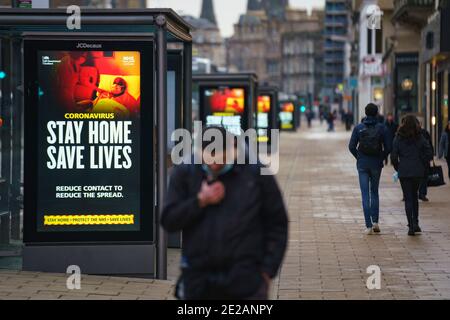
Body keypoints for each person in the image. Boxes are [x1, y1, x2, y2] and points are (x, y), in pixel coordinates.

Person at [161, 126, 288, 300]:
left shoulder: (256, 174)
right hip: (199, 280)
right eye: (209, 159)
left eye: (221, 159)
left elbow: (277, 223)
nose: (214, 165)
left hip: (246, 281)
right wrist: (200, 201)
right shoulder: (185, 173)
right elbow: (169, 220)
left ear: (233, 149)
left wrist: (267, 271)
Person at [349, 103, 391, 235]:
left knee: (365, 194)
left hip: (362, 164)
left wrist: (359, 157)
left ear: (365, 113)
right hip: (376, 164)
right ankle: (376, 222)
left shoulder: (358, 128)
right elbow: (388, 147)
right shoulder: (382, 128)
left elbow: (351, 146)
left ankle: (368, 225)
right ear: (377, 113)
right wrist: (381, 157)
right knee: (375, 192)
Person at [391, 115, 433, 236]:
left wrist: (398, 167)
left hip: (404, 171)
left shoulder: (398, 137)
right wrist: (422, 163)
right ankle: (416, 223)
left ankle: (410, 226)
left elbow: (393, 156)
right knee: (414, 196)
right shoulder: (419, 137)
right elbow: (429, 152)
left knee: (408, 198)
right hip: (417, 171)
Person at [418, 121, 434, 202]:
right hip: (421, 160)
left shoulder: (424, 133)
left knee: (424, 177)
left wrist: (431, 156)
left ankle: (422, 193)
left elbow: (430, 145)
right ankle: (422, 193)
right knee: (423, 177)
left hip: (423, 160)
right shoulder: (414, 133)